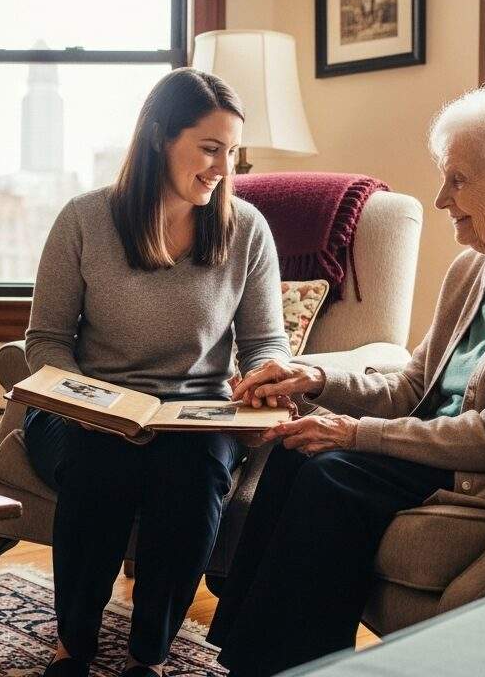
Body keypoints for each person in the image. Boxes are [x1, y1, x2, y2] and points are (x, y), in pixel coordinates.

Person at [206, 85, 485, 676]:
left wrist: (356, 435)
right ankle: (251, 659)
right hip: (431, 444)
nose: (443, 198)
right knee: (296, 454)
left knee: (330, 477)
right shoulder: (475, 264)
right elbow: (413, 386)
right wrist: (315, 378)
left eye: (460, 180)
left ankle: (277, 663)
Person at [24, 68, 291, 677]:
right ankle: (74, 650)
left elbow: (264, 341)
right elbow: (46, 342)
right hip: (83, 410)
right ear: (157, 138)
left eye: (231, 152)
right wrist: (93, 405)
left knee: (191, 472)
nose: (224, 166)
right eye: (209, 148)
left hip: (193, 417)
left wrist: (266, 382)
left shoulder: (246, 229)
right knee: (102, 463)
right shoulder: (84, 219)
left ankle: (149, 656)